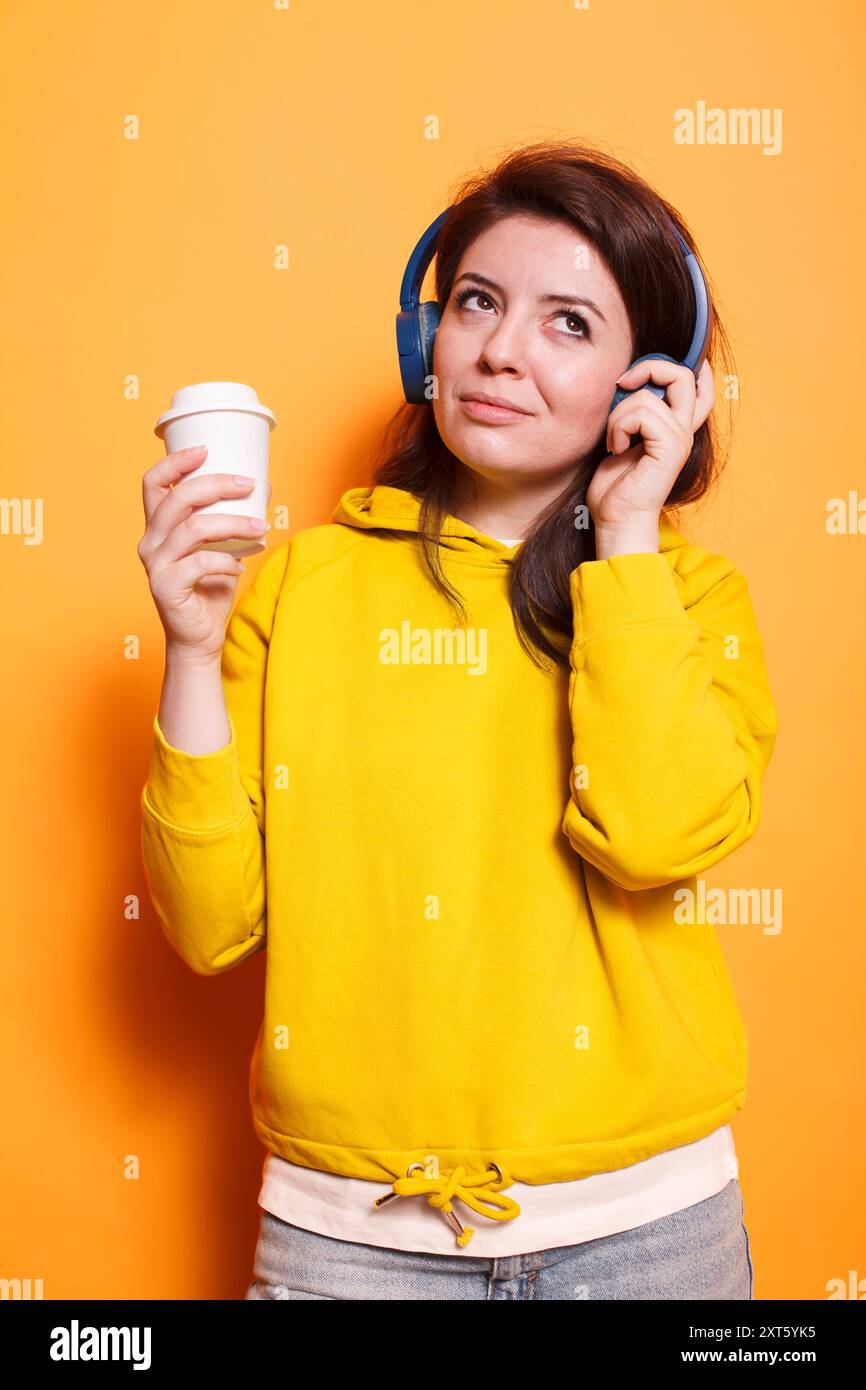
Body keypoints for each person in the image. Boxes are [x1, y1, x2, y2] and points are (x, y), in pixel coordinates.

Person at [137, 139, 776, 1301]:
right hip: (348, 1242)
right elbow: (206, 927)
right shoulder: (294, 587)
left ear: (652, 378)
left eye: (568, 323)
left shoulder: (687, 596)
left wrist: (622, 536)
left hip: (649, 1231)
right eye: (476, 301)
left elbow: (651, 834)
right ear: (422, 336)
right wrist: (188, 648)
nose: (496, 349)